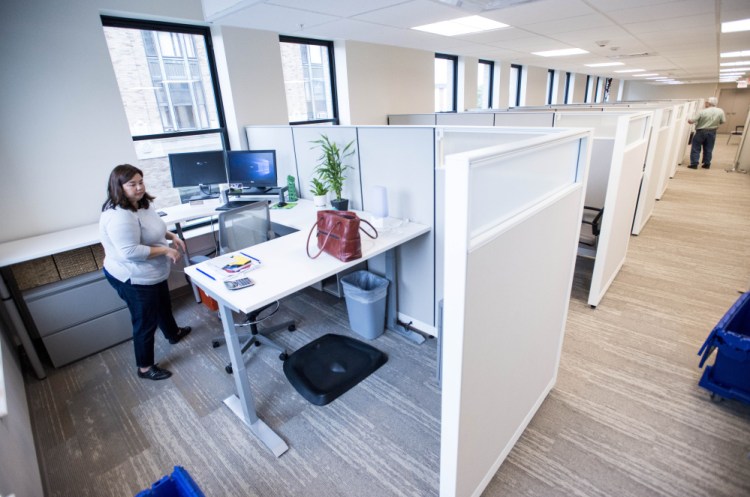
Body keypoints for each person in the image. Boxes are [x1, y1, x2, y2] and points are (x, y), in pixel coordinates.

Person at [99, 164, 192, 380]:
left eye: (141, 182)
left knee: (162, 303)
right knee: (144, 321)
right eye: (132, 184)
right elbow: (130, 251)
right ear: (118, 187)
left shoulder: (141, 204)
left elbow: (154, 228)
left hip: (150, 271)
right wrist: (165, 250)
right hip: (132, 276)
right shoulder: (119, 216)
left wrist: (172, 236)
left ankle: (173, 333)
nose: (139, 187)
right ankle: (144, 367)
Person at [687, 97, 726, 169]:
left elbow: (693, 120)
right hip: (712, 132)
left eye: (706, 102)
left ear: (709, 103)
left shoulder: (702, 111)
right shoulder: (720, 111)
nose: (705, 103)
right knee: (709, 148)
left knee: (696, 147)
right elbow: (723, 121)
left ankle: (694, 164)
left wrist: (689, 120)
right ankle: (707, 164)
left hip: (701, 131)